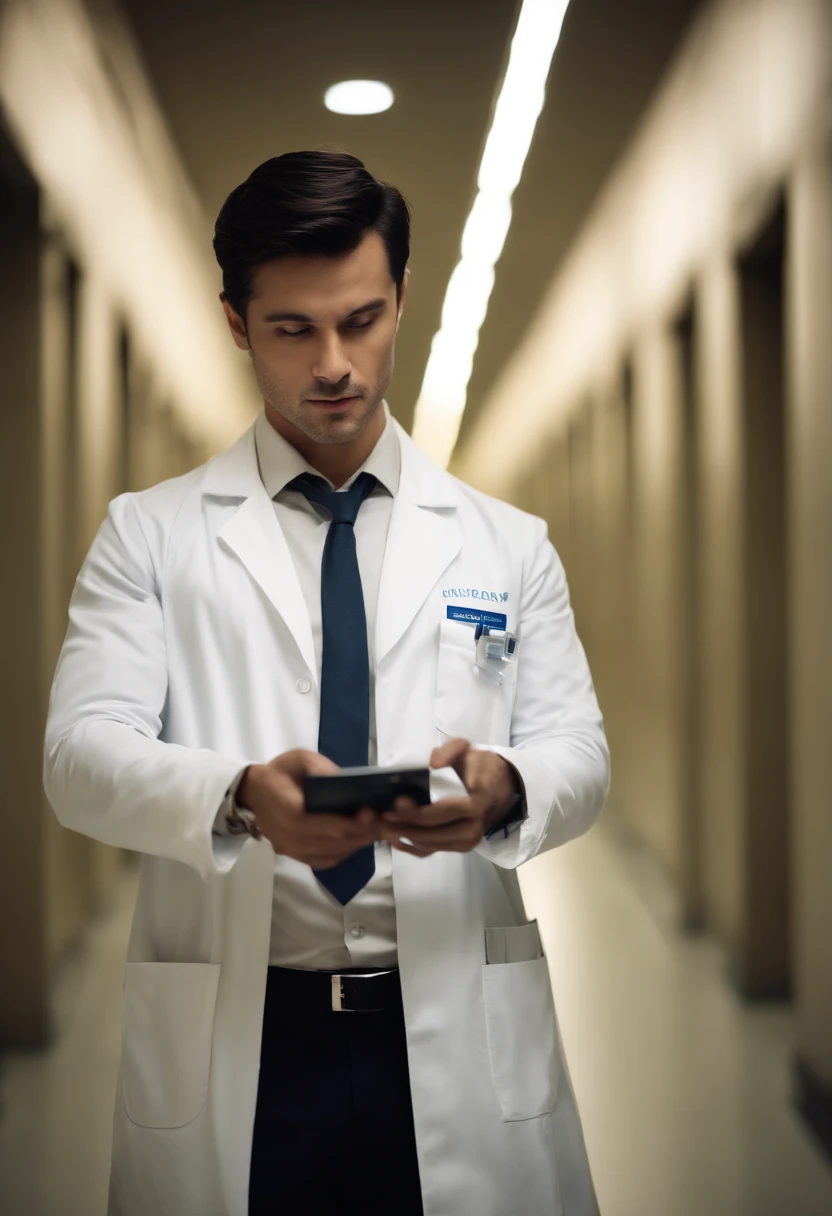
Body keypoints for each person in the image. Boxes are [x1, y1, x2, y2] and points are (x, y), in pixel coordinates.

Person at [43, 150, 610, 1216]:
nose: (335, 364)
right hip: (247, 1035)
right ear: (234, 322)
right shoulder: (150, 537)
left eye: (361, 319)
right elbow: (79, 758)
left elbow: (579, 749)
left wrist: (506, 788)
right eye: (291, 330)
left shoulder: (505, 543)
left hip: (447, 1021)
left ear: (401, 297)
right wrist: (238, 792)